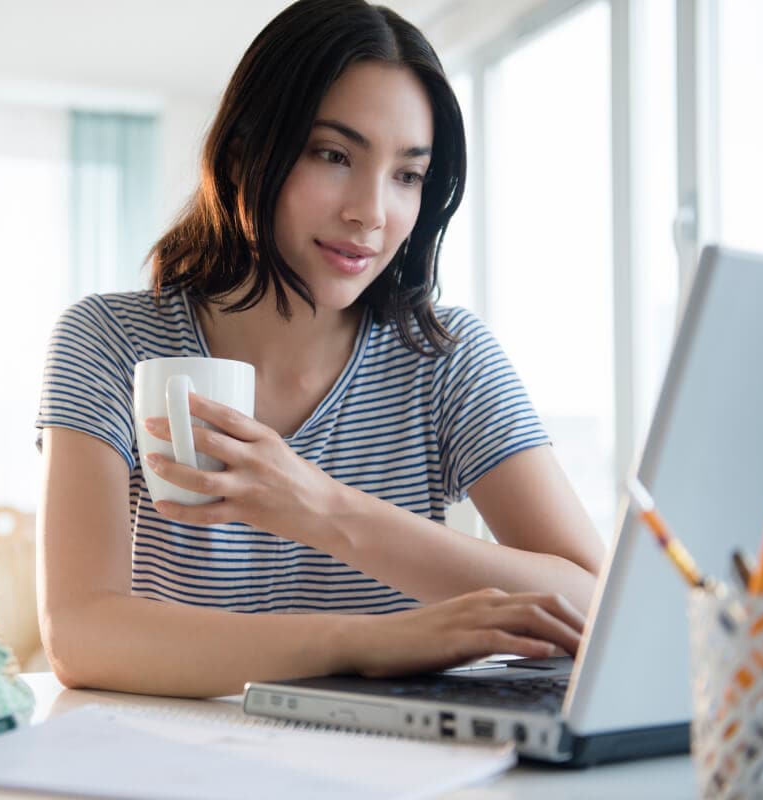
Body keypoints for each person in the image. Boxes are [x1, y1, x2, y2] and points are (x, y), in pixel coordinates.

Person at [35, 0, 605, 698]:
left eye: (407, 175)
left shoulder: (446, 360)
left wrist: (319, 508)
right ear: (244, 154)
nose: (370, 211)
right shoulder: (108, 343)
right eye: (333, 155)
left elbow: (593, 601)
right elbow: (83, 635)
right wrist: (363, 645)